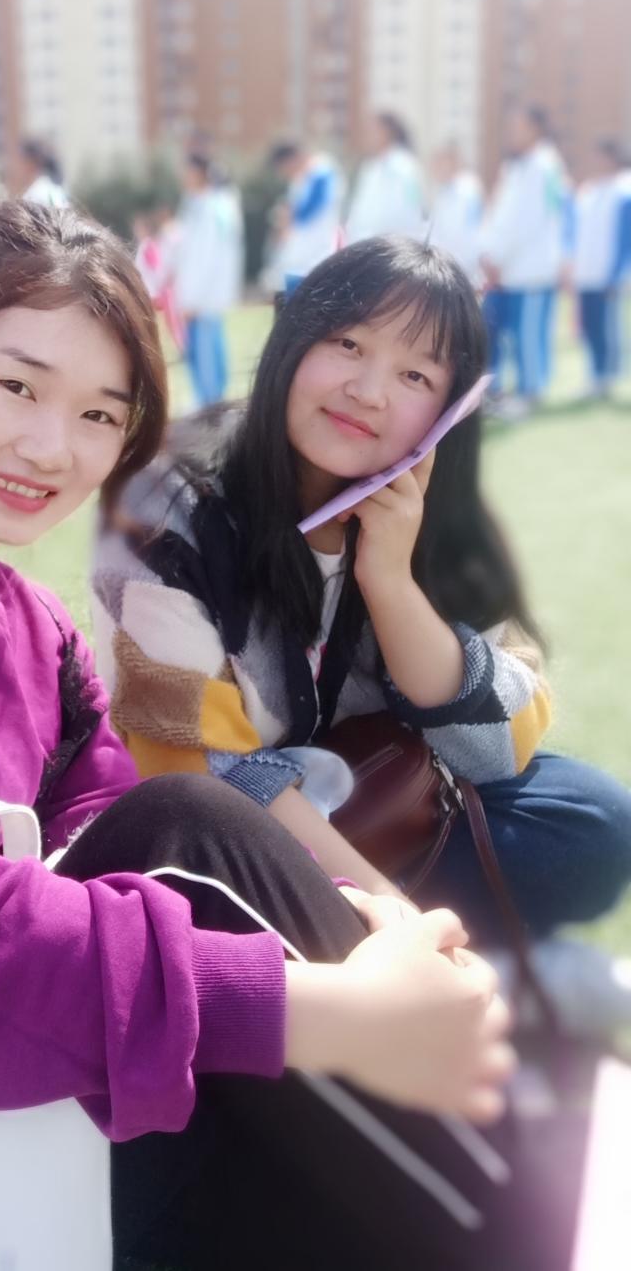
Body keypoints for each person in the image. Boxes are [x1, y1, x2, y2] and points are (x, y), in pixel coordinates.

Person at [0, 202, 518, 1271]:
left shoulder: (33, 624)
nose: (50, 447)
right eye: (18, 387)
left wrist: (350, 917)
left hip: (21, 1109)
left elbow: (123, 843)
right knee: (190, 822)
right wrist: (328, 1009)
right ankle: (518, 1208)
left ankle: (489, 1167)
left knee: (200, 843)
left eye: (99, 415)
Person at [92, 234, 631, 1040]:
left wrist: (390, 582)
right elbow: (203, 769)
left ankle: (445, 981)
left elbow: (501, 747)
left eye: (416, 375)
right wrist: (404, 926)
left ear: (447, 411)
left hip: (375, 807)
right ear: (294, 336)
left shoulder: (427, 503)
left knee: (592, 823)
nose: (368, 390)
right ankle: (460, 986)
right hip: (234, 844)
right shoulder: (166, 507)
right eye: (347, 343)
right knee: (208, 885)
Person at [479, 106, 569, 416]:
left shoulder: (543, 166)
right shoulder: (517, 167)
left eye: (518, 127)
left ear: (535, 129)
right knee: (496, 332)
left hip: (530, 270)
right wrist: (488, 253)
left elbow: (528, 222)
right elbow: (500, 217)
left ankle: (530, 394)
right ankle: (496, 393)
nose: (511, 133)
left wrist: (497, 257)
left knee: (527, 336)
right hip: (507, 269)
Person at [174, 152, 242, 408]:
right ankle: (211, 402)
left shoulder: (210, 208)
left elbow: (204, 258)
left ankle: (209, 407)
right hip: (205, 296)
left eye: (188, 171)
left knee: (205, 354)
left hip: (202, 297)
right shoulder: (208, 205)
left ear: (200, 173)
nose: (183, 176)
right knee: (209, 348)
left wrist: (192, 298)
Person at [570, 138, 631, 399]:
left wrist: (617, 273)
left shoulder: (624, 190)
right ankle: (594, 374)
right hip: (587, 273)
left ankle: (607, 377)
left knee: (608, 327)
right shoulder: (590, 191)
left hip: (608, 274)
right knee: (591, 327)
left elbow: (625, 236)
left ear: (613, 158)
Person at [269, 140, 344, 294]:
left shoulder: (322, 172)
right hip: (299, 255)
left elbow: (312, 208)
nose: (286, 174)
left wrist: (289, 216)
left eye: (285, 168)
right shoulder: (300, 179)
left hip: (318, 252)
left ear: (293, 159)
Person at [345, 112, 425, 245]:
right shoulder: (370, 167)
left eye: (371, 131)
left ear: (386, 132)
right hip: (365, 247)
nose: (367, 136)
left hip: (392, 247)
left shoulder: (404, 166)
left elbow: (410, 210)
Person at [427, 143, 484, 282]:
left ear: (453, 162)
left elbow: (472, 234)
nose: (436, 169)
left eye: (441, 163)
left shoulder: (468, 191)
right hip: (448, 269)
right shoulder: (443, 193)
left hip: (466, 271)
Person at [132, 207, 184, 350]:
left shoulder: (149, 245)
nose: (136, 231)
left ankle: (182, 346)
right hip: (150, 291)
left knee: (171, 321)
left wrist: (161, 285)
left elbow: (156, 267)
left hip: (156, 291)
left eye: (139, 228)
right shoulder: (144, 245)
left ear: (146, 228)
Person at [18, 136, 69, 207]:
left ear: (31, 162)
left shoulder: (37, 192)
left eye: (22, 160)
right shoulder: (52, 187)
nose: (19, 165)